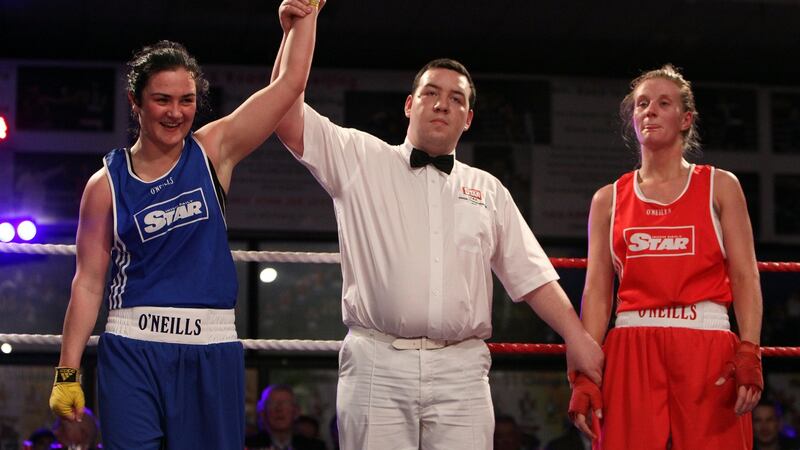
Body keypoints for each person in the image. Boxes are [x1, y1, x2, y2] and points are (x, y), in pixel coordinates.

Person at [271, 50, 604, 448]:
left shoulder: (489, 190)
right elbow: (285, 114)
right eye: (431, 93)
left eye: (457, 98)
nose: (443, 103)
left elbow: (531, 274)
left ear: (468, 119)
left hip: (461, 370)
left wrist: (577, 338)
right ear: (410, 104)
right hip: (377, 362)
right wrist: (298, 30)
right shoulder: (361, 159)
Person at [47, 2, 321, 448]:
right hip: (132, 348)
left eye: (186, 100)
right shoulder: (105, 185)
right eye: (162, 99)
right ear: (136, 102)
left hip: (211, 346)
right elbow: (88, 283)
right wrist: (67, 371)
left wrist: (303, 20)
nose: (175, 113)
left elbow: (289, 85)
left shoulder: (214, 151)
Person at [572, 64, 764, 449]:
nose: (650, 111)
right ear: (632, 118)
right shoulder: (608, 199)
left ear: (685, 119)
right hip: (631, 344)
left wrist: (749, 349)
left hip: (706, 343)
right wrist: (585, 376)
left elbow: (745, 276)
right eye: (642, 104)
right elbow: (596, 293)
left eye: (663, 103)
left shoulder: (720, 186)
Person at [245, 384, 326, 450]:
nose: (279, 409)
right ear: (262, 413)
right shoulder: (247, 445)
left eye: (285, 403)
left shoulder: (314, 447)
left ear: (296, 411)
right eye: (272, 403)